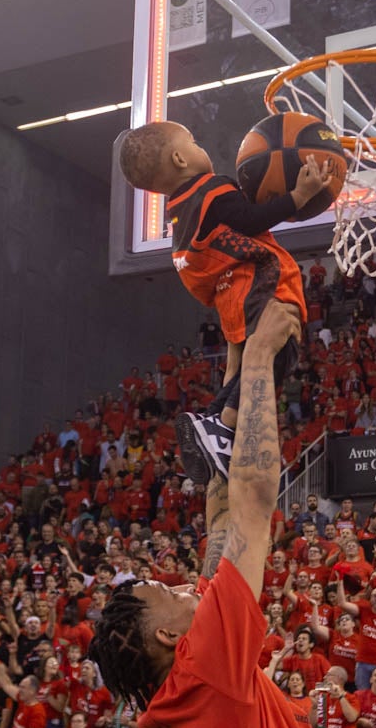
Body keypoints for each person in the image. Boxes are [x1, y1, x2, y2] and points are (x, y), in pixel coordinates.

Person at [90, 302, 324, 728]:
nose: (180, 584)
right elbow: (252, 499)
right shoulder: (206, 674)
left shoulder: (189, 684)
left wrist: (237, 354)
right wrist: (264, 356)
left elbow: (221, 518)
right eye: (166, 593)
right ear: (167, 638)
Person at [115, 122, 324, 486]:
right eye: (193, 142)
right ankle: (223, 424)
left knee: (248, 368)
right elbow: (251, 219)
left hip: (230, 299)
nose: (199, 146)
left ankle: (212, 422)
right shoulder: (212, 190)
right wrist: (298, 196)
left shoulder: (178, 213)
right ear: (180, 158)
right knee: (278, 355)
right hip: (258, 284)